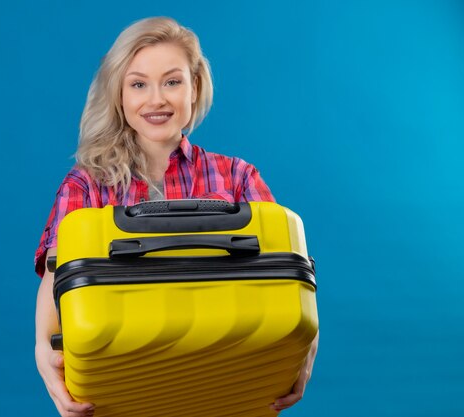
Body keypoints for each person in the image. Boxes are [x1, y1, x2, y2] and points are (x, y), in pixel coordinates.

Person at [34, 16, 318, 417]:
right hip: (120, 391)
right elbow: (56, 271)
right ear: (119, 93)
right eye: (138, 84)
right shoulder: (87, 185)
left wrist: (304, 351)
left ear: (195, 88)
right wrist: (43, 351)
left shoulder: (237, 177)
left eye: (172, 81)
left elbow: (290, 281)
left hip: (226, 391)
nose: (156, 100)